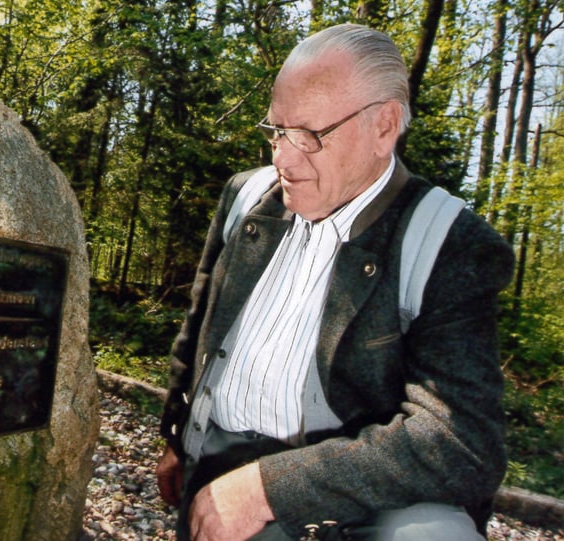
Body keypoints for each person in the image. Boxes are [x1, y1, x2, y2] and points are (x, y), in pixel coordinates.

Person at [155, 23, 515, 541]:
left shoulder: (446, 242)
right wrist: (176, 435)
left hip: (350, 503)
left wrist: (269, 488)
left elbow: (462, 441)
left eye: (309, 136)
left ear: (384, 126)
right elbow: (199, 326)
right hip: (214, 465)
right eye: (277, 130)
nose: (282, 158)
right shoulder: (246, 197)